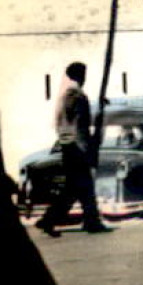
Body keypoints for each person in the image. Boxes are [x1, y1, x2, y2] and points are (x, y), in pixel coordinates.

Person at [36, 62, 112, 236]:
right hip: (76, 147)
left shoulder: (67, 95)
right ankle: (55, 219)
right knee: (79, 186)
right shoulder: (75, 95)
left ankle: (88, 220)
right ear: (79, 75)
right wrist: (84, 147)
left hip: (70, 145)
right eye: (83, 74)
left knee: (78, 187)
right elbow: (76, 124)